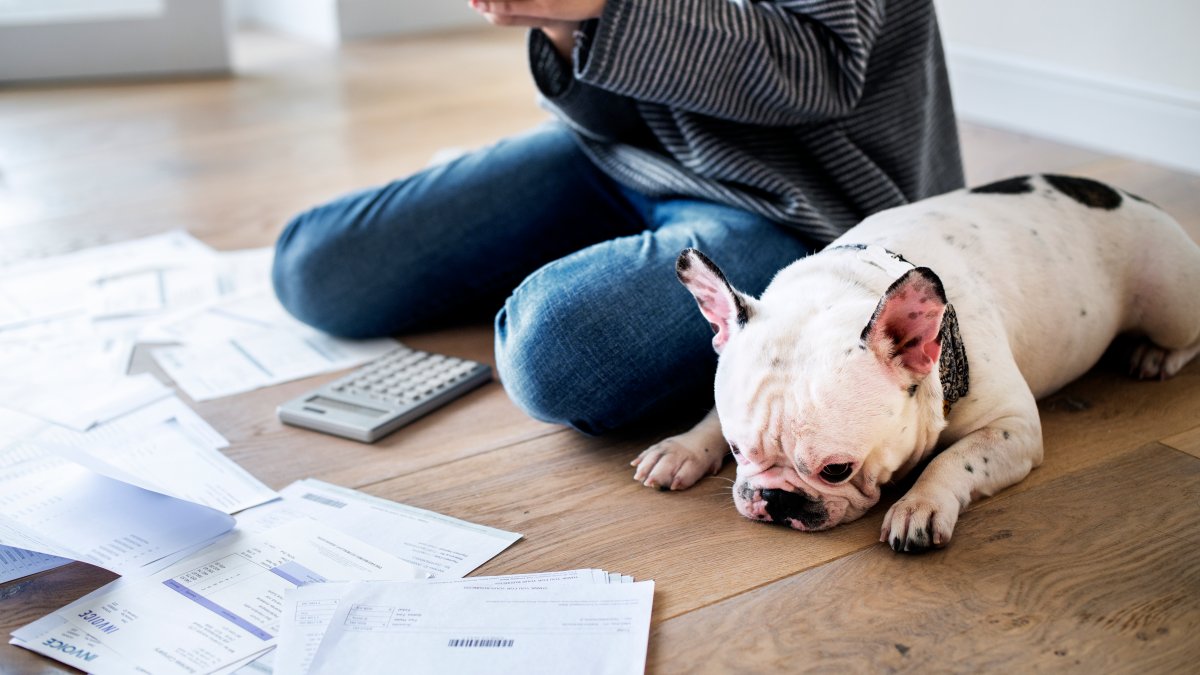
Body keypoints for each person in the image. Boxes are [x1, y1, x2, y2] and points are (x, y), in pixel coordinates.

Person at [271, 0, 964, 436]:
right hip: (628, 156)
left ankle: (639, 291)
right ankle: (623, 273)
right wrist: (559, 21)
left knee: (556, 354)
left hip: (800, 202)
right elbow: (611, 103)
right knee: (314, 268)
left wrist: (607, 5)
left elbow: (822, 68)